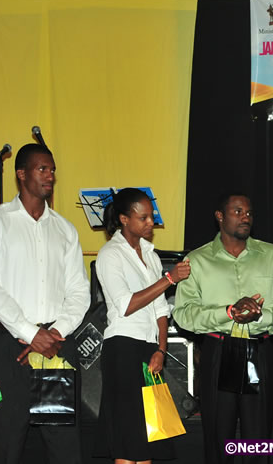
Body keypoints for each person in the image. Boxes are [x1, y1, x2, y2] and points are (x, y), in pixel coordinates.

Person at [173, 192, 273, 464]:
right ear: (220, 216)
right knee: (219, 438)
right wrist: (229, 313)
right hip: (219, 350)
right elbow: (183, 314)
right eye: (238, 211)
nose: (246, 217)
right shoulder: (197, 259)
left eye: (250, 213)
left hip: (258, 349)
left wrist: (258, 316)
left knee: (258, 438)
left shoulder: (272, 254)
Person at [0, 143, 90, 464]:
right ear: (21, 174)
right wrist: (28, 332)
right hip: (10, 346)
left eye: (53, 170)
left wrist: (55, 332)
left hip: (56, 346)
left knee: (63, 444)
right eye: (42, 169)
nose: (50, 176)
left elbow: (79, 291)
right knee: (7, 441)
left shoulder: (64, 229)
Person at [93, 188, 191, 463]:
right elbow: (125, 304)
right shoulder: (110, 255)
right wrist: (169, 279)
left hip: (148, 349)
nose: (151, 223)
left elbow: (161, 309)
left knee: (148, 437)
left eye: (152, 216)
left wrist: (161, 349)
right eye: (144, 217)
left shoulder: (150, 254)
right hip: (122, 348)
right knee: (127, 439)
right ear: (124, 219)